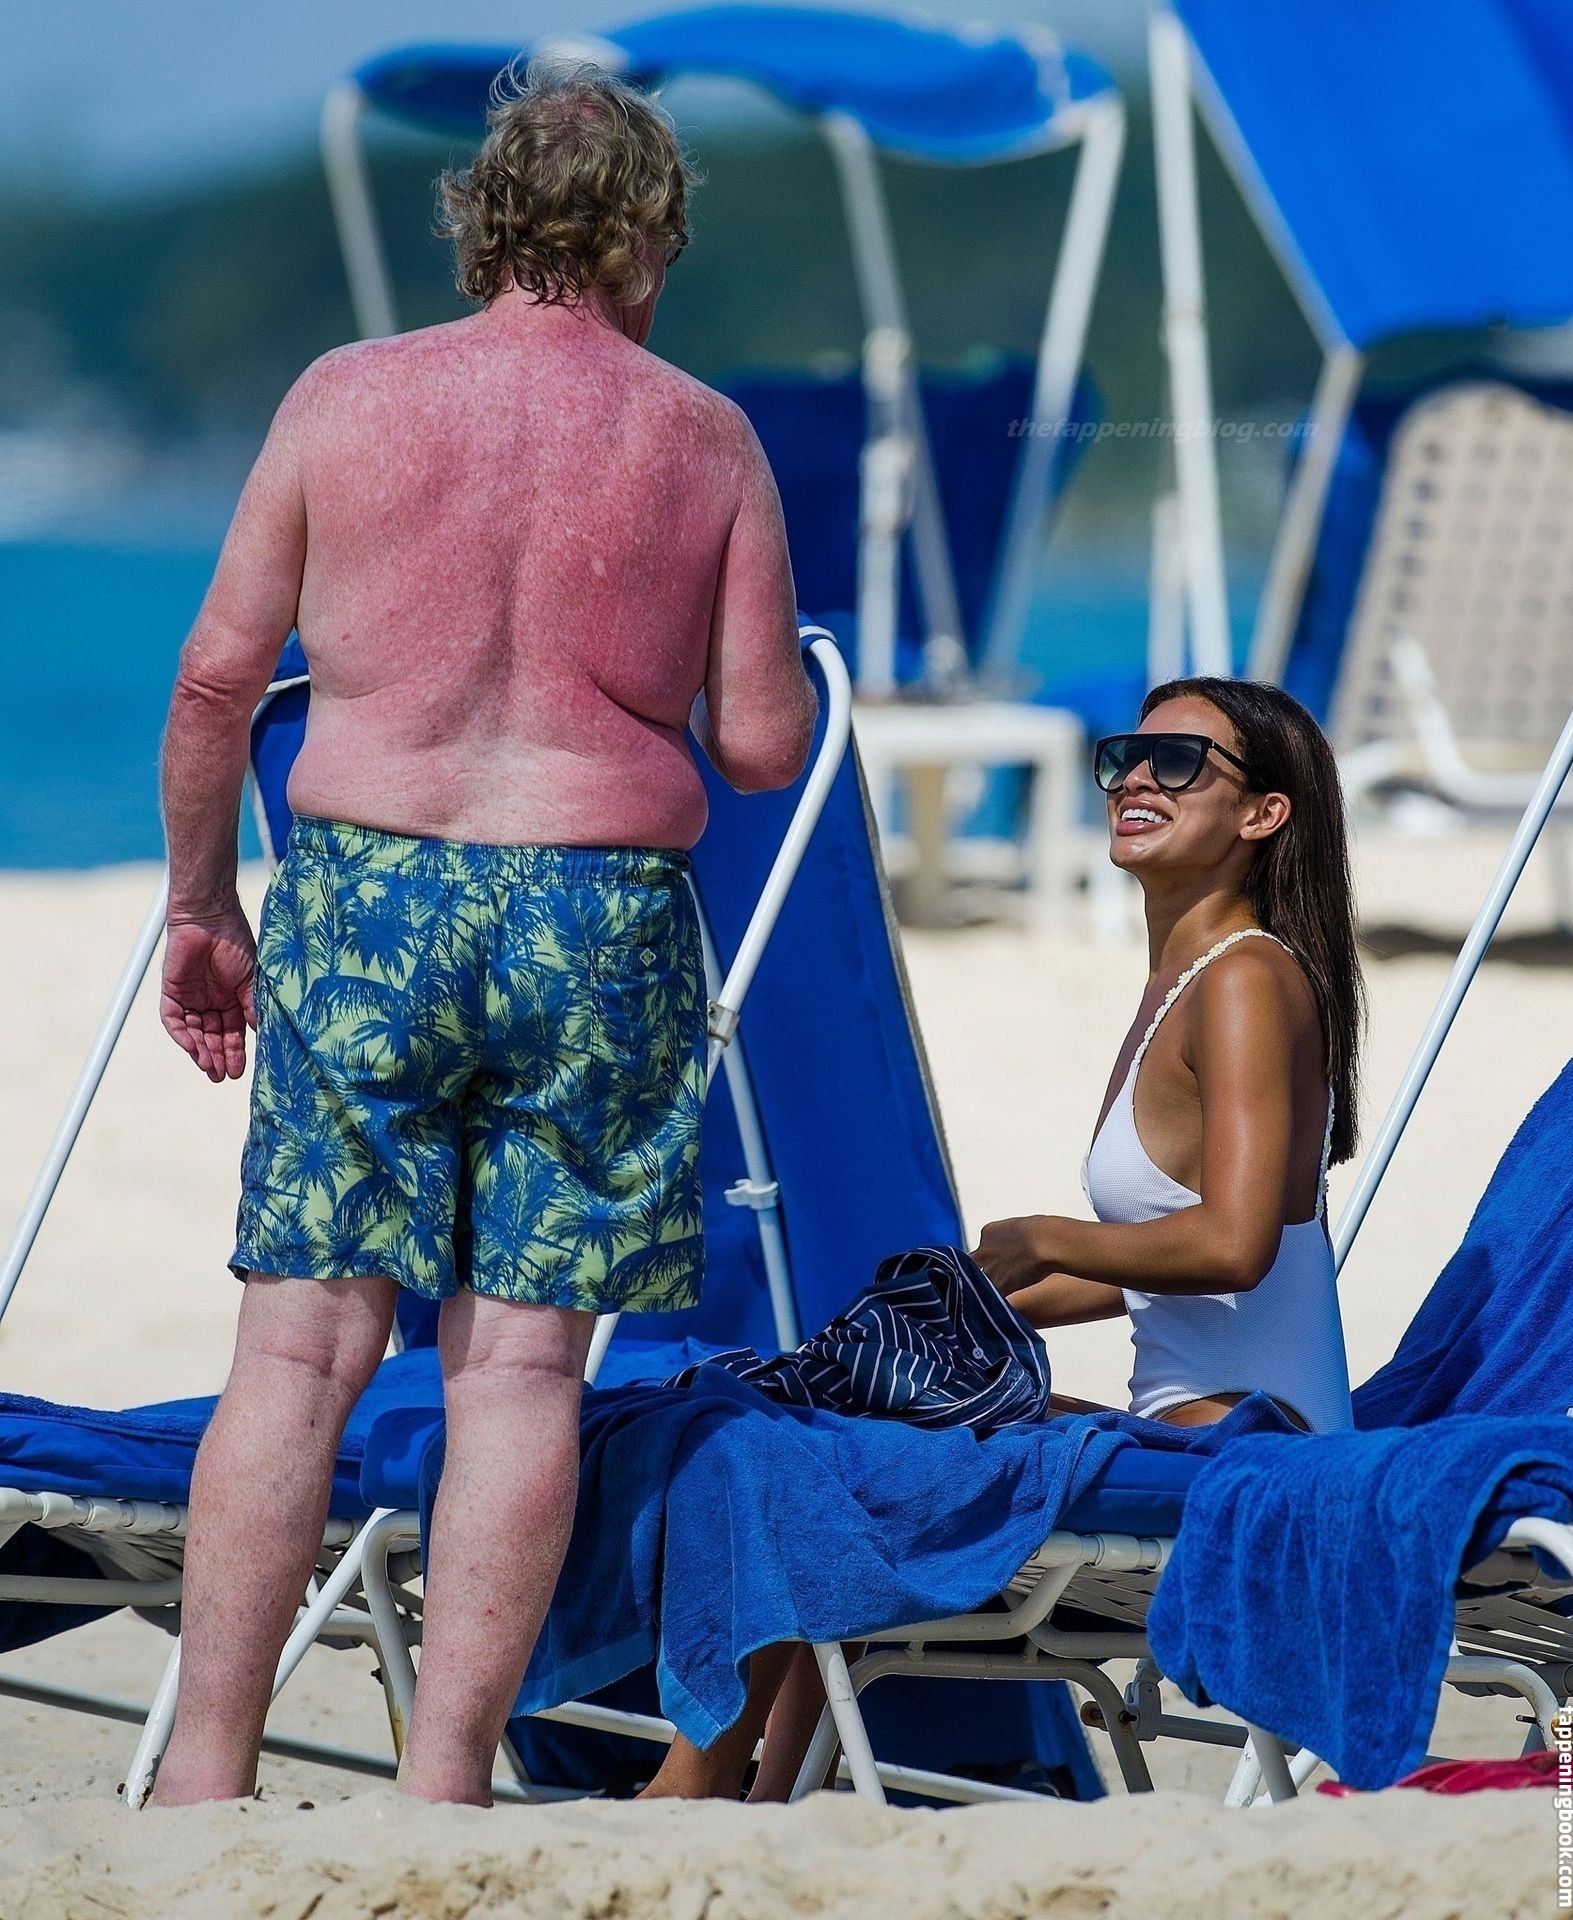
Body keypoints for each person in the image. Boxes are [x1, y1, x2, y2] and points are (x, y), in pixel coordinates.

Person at [152, 60, 815, 1808]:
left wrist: (202, 907)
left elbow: (217, 680)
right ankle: (443, 1792)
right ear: (649, 241)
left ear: (482, 225)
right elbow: (761, 745)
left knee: (297, 1348)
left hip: (367, 893)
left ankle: (205, 1779)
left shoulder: (347, 397)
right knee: (520, 1369)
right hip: (594, 914)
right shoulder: (703, 438)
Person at [642, 674, 1363, 1800]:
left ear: (1264, 814)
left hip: (1244, 1454)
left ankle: (706, 1790)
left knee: (811, 1458)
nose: (1136, 776)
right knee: (831, 1416)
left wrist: (1045, 1241)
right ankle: (759, 1794)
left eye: (1179, 762)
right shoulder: (1191, 980)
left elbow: (1234, 1248)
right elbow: (1178, 1269)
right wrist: (985, 1297)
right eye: (1123, 756)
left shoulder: (1247, 982)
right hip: (1188, 1427)